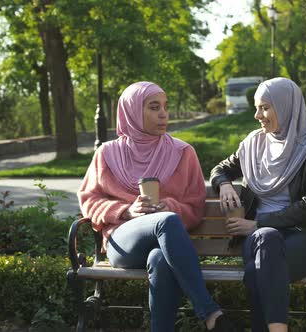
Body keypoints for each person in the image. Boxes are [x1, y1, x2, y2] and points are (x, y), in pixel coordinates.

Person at [78, 81, 237, 332]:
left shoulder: (183, 152)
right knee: (168, 220)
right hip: (124, 242)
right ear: (131, 112)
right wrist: (127, 210)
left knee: (160, 257)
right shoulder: (106, 154)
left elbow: (195, 207)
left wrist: (169, 205)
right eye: (154, 107)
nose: (163, 113)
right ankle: (210, 314)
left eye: (165, 106)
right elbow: (89, 200)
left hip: (169, 246)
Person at [210, 77, 306, 332]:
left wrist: (257, 223)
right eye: (257, 107)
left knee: (255, 272)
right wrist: (224, 184)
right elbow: (220, 169)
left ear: (286, 106)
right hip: (259, 239)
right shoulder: (253, 144)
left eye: (265, 107)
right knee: (266, 240)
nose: (257, 115)